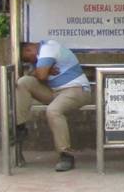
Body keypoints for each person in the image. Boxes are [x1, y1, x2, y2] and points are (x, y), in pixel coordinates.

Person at [15, 39, 94, 172]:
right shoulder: (39, 59)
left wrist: (42, 72)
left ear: (29, 49)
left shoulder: (49, 47)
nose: (29, 62)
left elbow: (41, 75)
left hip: (76, 89)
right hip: (55, 91)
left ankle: (66, 155)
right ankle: (20, 126)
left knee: (53, 110)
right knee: (23, 82)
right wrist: (43, 71)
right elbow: (34, 75)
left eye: (27, 59)